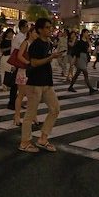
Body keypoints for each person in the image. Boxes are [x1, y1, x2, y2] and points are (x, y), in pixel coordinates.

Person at [18, 18, 65, 153]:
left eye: (50, 27)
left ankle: (43, 138)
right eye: (47, 28)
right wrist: (50, 58)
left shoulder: (47, 43)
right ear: (39, 30)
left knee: (55, 109)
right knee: (30, 114)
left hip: (46, 83)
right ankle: (25, 142)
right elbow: (33, 63)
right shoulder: (36, 44)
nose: (50, 30)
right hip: (35, 83)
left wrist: (53, 56)